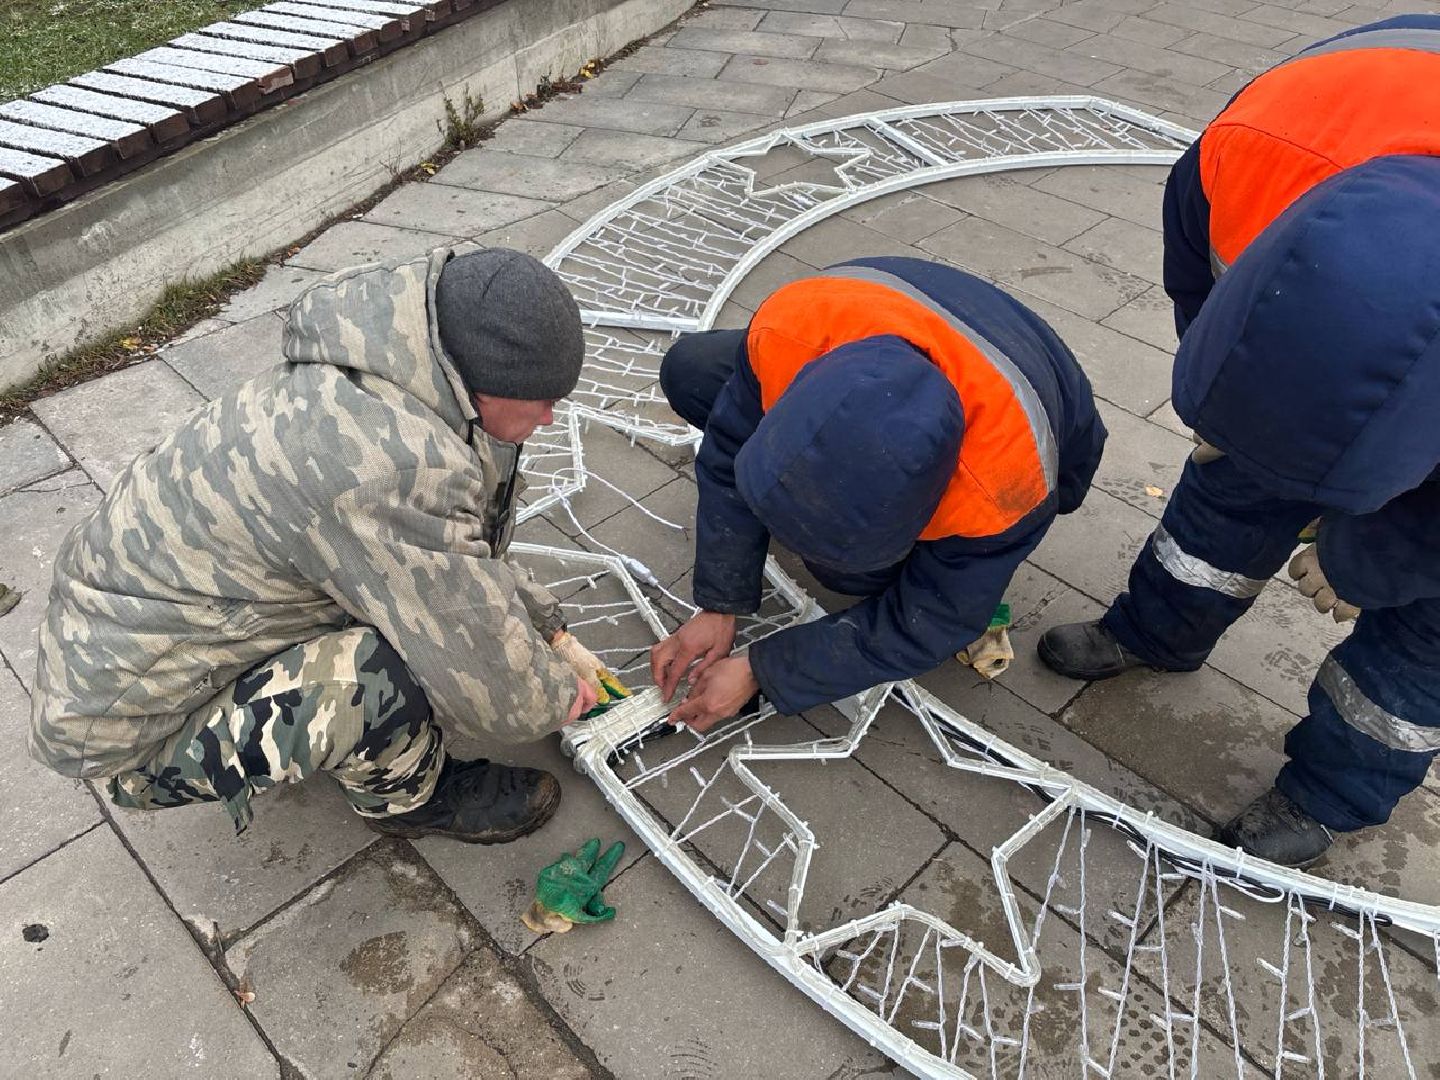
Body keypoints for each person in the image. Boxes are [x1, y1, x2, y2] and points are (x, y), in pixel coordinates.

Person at [30, 247, 612, 843]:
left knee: (404, 606)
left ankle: (309, 719)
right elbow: (491, 683)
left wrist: (548, 628)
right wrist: (560, 695)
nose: (550, 417)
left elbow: (454, 557)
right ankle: (408, 800)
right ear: (485, 386)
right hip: (129, 733)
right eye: (544, 400)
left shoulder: (387, 366)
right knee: (379, 672)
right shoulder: (389, 466)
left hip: (134, 641)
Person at [1039, 17, 1440, 867]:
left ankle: (1330, 797)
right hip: (1304, 165)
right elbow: (1201, 289)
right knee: (1230, 487)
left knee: (1426, 636)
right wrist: (1233, 410)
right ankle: (1157, 633)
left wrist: (1375, 558)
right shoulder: (1244, 155)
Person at [649, 256, 1106, 731]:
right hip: (892, 310)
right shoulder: (788, 329)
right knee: (693, 371)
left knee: (863, 576)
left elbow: (934, 619)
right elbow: (729, 447)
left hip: (1043, 393)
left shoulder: (1005, 485)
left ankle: (906, 561)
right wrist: (721, 602)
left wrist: (762, 671)